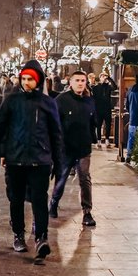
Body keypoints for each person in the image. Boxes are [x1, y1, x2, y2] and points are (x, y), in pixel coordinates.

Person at [0, 60, 63, 260]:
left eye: (30, 79)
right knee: (16, 199)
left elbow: (56, 133)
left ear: (38, 80)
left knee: (40, 200)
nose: (26, 82)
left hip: (40, 159)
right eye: (24, 78)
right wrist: (1, 152)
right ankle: (19, 234)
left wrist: (58, 160)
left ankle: (41, 237)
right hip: (16, 159)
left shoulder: (48, 103)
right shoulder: (12, 100)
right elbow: (0, 128)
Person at [50, 70, 98, 227]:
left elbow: (93, 121)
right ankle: (54, 202)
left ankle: (87, 212)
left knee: (85, 179)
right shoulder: (61, 100)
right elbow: (54, 123)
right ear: (70, 83)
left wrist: (93, 138)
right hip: (66, 148)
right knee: (62, 178)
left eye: (83, 80)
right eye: (77, 80)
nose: (80, 83)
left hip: (84, 148)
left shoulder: (89, 100)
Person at [91, 72, 116, 149]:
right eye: (102, 76)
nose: (104, 77)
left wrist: (109, 78)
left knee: (108, 125)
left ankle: (107, 140)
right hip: (98, 109)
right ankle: (98, 140)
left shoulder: (108, 87)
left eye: (105, 76)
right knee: (98, 125)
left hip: (107, 109)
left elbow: (115, 87)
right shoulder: (96, 87)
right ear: (100, 78)